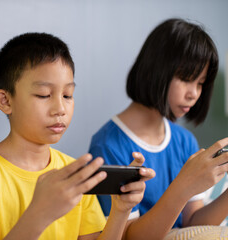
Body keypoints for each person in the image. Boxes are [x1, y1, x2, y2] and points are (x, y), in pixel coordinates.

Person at [0, 32, 155, 240]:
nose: (60, 108)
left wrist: (121, 210)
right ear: (5, 101)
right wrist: (39, 214)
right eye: (44, 95)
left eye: (67, 95)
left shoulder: (74, 174)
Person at [88, 18, 228, 239]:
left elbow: (192, 222)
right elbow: (129, 237)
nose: (194, 93)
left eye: (200, 83)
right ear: (156, 70)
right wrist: (183, 186)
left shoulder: (184, 140)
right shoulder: (108, 146)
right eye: (186, 78)